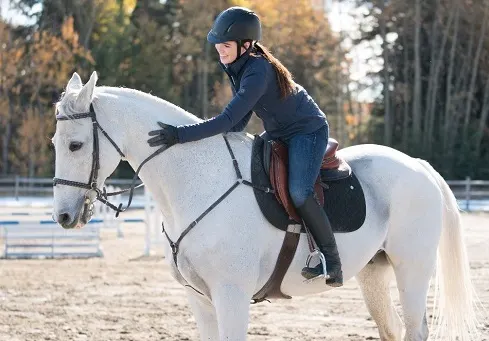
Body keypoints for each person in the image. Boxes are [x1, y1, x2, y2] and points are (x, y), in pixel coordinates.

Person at [147, 6, 343, 287]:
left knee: (299, 191)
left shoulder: (257, 71)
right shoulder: (236, 65)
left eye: (225, 46)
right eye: (218, 45)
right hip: (277, 132)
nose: (220, 51)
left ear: (246, 45)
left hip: (306, 131)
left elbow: (227, 119)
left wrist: (181, 135)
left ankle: (331, 260)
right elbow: (238, 123)